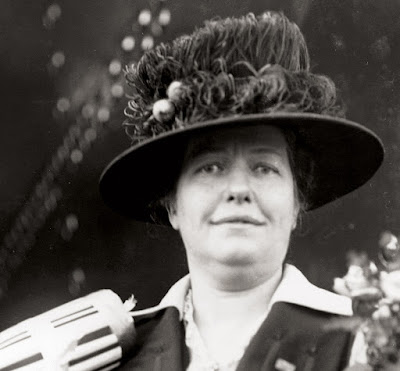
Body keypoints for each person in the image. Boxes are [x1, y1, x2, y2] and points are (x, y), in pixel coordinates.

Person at [99, 11, 384, 370]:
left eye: (264, 168)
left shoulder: (369, 344)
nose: (238, 190)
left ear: (298, 200)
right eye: (210, 167)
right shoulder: (106, 358)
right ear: (172, 203)